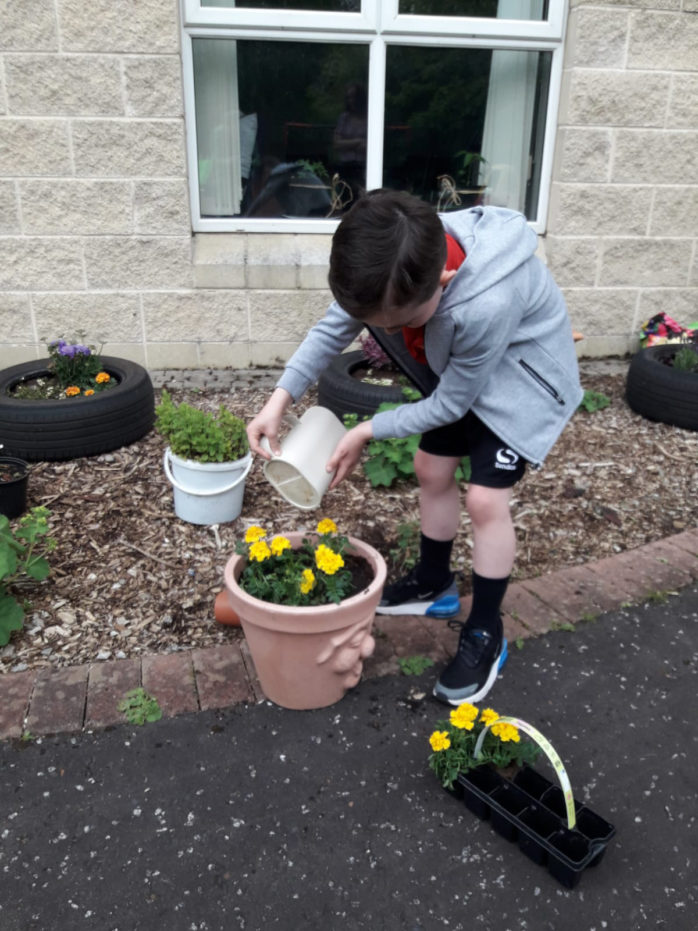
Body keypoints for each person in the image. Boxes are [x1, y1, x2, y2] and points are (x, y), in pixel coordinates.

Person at [247, 189, 583, 706]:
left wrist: (365, 431)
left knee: (486, 501)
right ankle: (433, 584)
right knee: (430, 467)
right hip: (463, 374)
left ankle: (486, 631)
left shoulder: (486, 300)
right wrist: (278, 399)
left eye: (398, 324)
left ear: (444, 282)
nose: (387, 334)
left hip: (522, 387)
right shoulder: (396, 259)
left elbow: (452, 403)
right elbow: (332, 328)